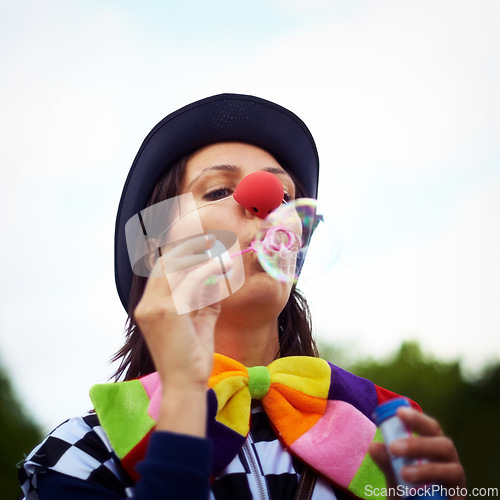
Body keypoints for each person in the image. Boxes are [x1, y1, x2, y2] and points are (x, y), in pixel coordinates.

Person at [19, 94, 466, 500]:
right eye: (217, 190)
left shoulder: (387, 435)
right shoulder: (80, 455)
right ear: (155, 249)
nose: (266, 201)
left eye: (286, 195)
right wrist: (183, 402)